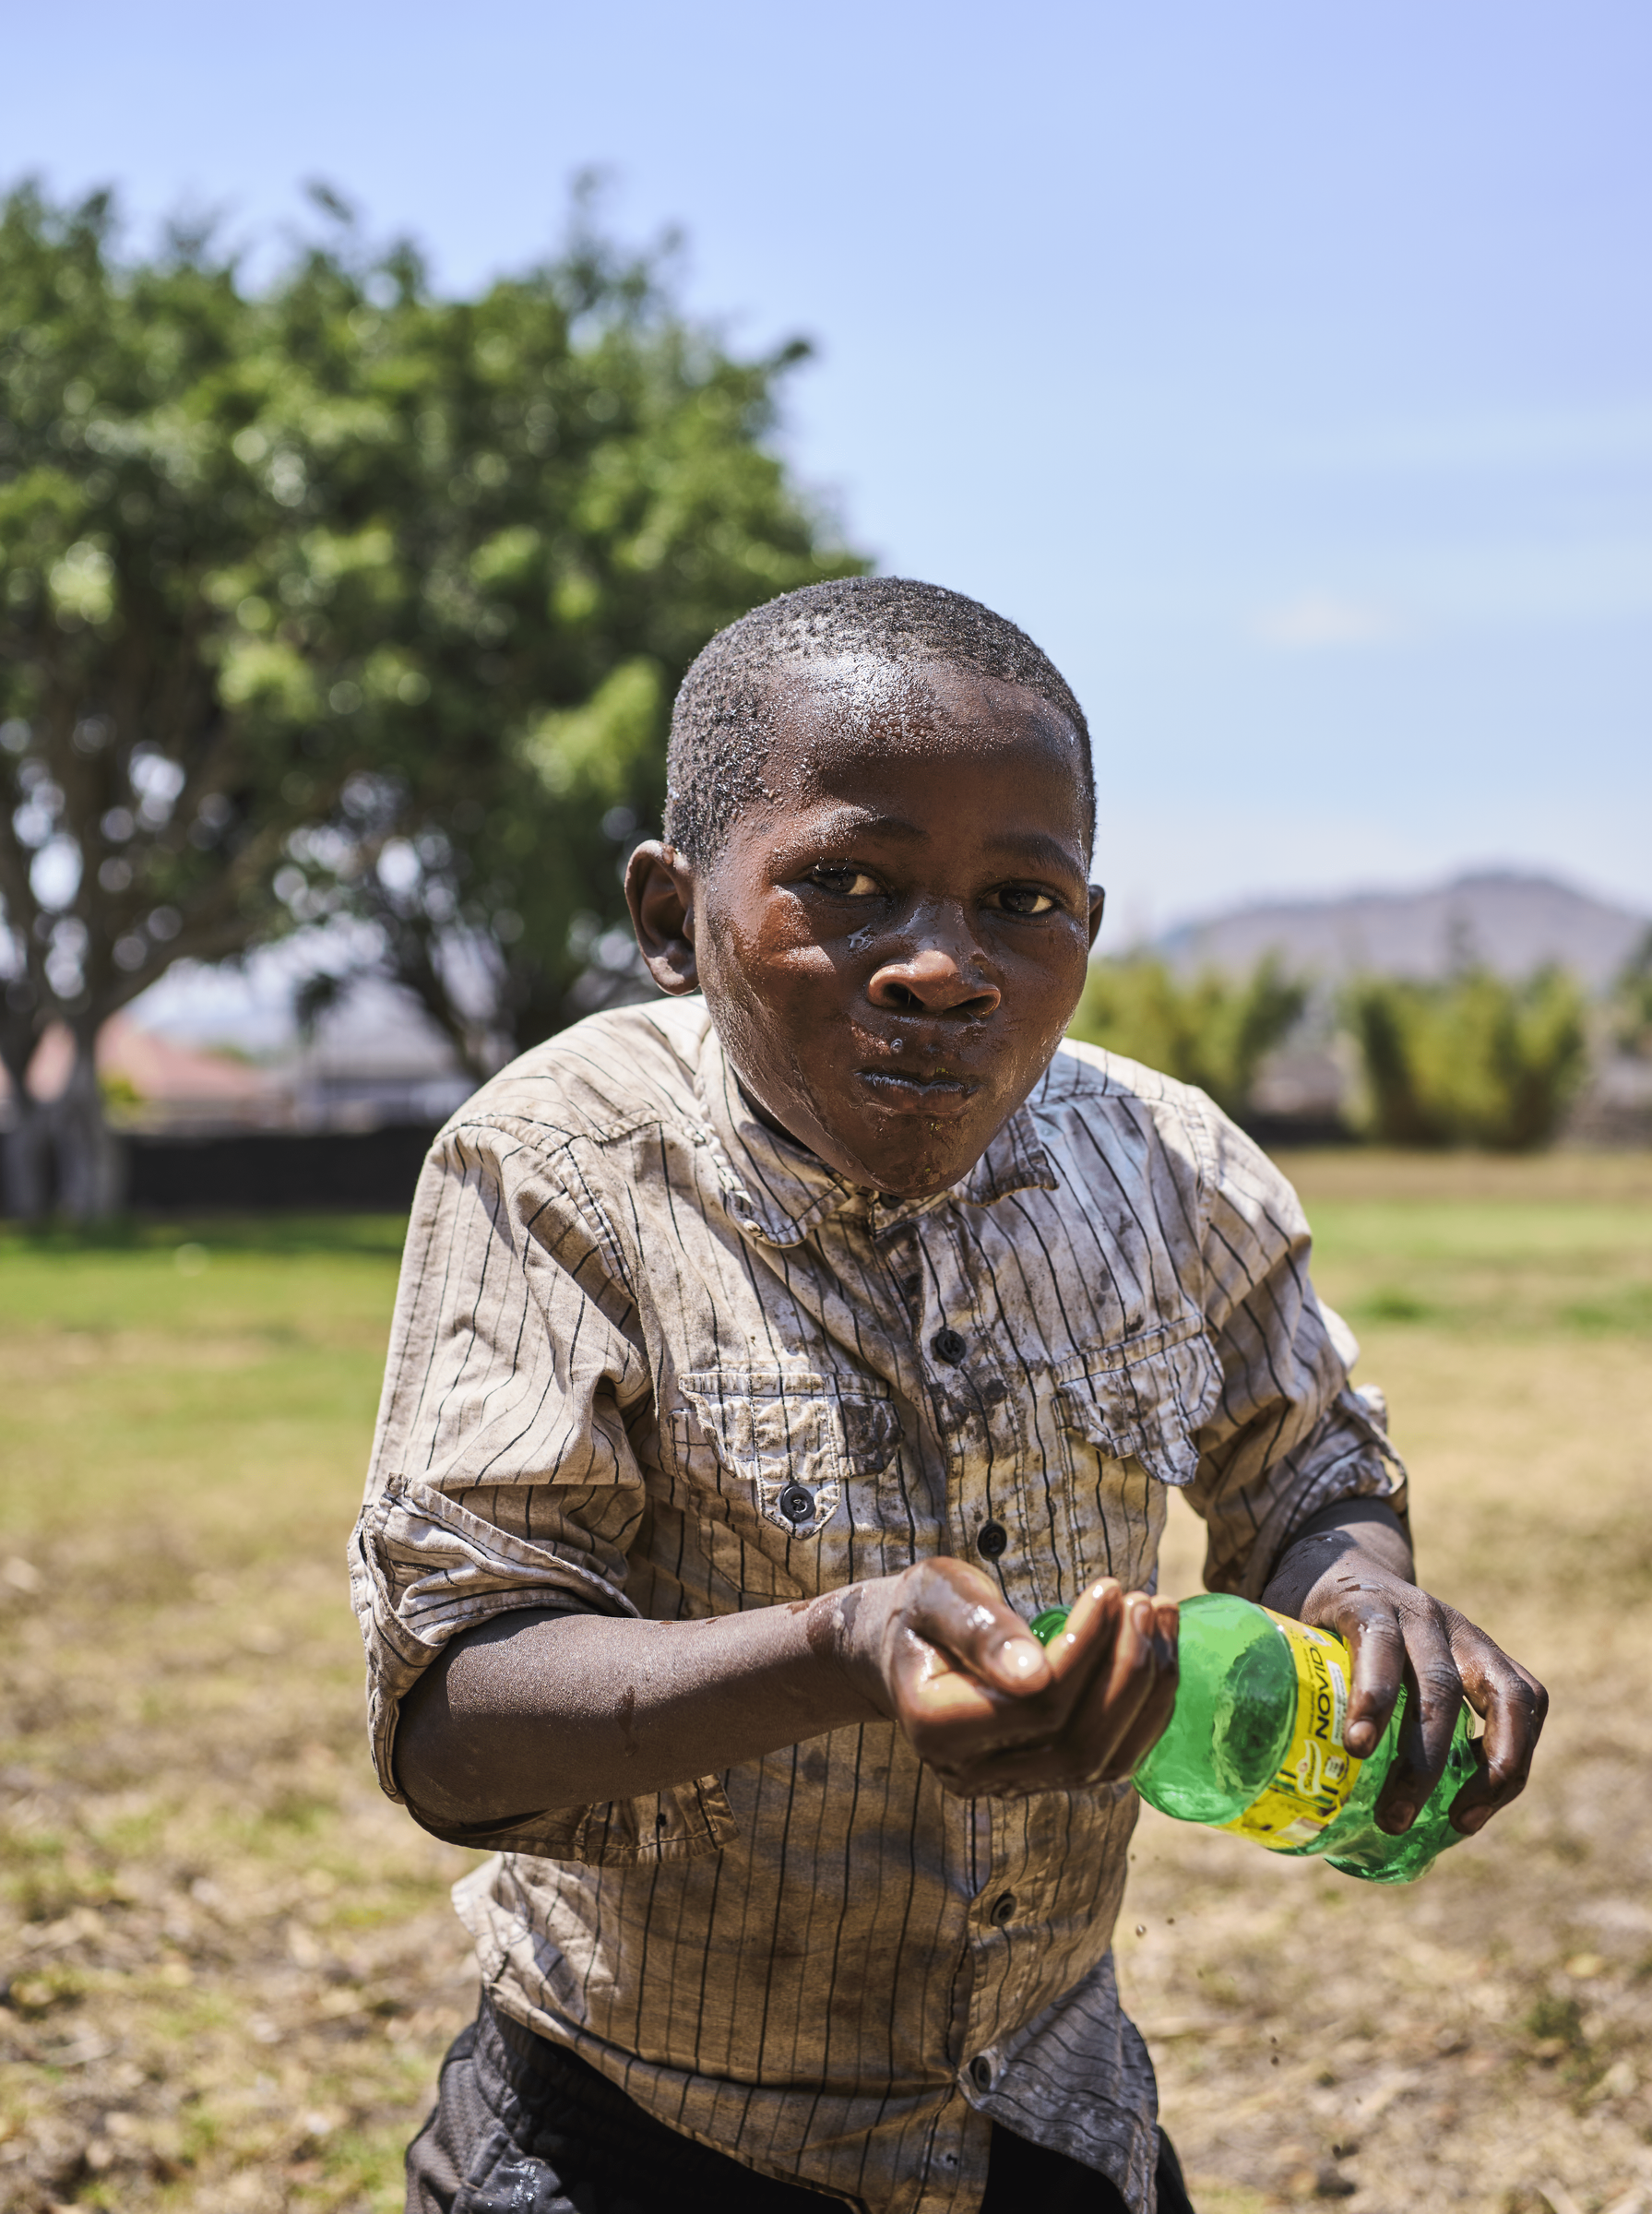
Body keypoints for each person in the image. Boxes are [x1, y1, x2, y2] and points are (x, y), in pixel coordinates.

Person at [349, 577, 1547, 2214]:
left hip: (1048, 2118)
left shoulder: (1169, 1168)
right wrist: (838, 1650)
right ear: (667, 915)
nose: (941, 967)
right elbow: (454, 1718)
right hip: (639, 2129)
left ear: (1088, 929)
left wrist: (1363, 1592)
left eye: (1019, 901)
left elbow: (1308, 1469)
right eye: (846, 885)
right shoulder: (557, 1168)